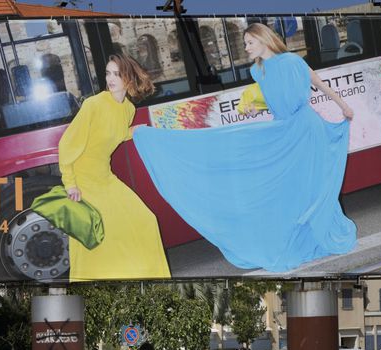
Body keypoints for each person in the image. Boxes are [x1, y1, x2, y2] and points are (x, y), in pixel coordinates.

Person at [133, 22, 356, 272]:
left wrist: (342, 105)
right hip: (282, 130)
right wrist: (256, 106)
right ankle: (299, 238)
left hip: (305, 129)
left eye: (250, 42)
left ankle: (321, 233)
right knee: (291, 188)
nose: (246, 47)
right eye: (245, 43)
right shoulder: (257, 72)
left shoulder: (292, 61)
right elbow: (273, 98)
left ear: (264, 40)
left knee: (310, 184)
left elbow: (316, 80)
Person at [31, 53, 171, 281]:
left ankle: (145, 277)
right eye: (108, 73)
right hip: (84, 181)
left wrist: (131, 132)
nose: (111, 78)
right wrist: (70, 183)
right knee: (96, 235)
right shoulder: (93, 104)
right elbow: (67, 144)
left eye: (117, 74)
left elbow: (111, 134)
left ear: (129, 78)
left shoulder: (128, 110)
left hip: (105, 178)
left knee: (145, 219)